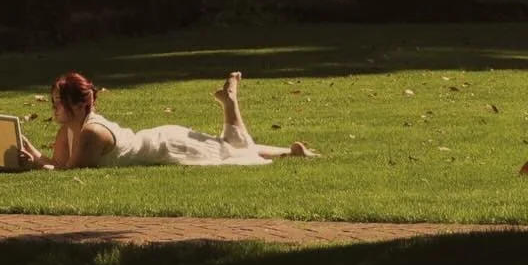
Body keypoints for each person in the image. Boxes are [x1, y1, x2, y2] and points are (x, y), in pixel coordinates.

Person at [17, 69, 316, 169]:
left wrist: (37, 163)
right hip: (158, 136)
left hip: (168, 145)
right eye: (54, 103)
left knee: (229, 150)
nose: (54, 109)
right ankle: (289, 151)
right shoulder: (69, 130)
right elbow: (58, 165)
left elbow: (69, 171)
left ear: (80, 106)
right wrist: (35, 155)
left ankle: (231, 102)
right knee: (227, 146)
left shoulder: (91, 133)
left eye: (60, 103)